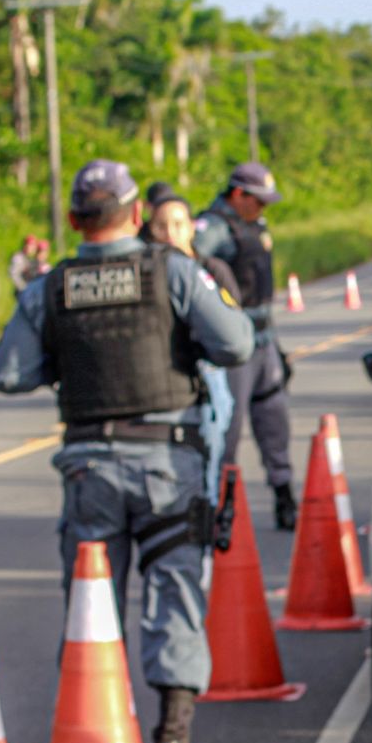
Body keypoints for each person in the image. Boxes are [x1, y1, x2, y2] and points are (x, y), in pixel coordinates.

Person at [0, 159, 254, 743]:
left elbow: (7, 374)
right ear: (137, 215)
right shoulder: (174, 272)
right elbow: (236, 344)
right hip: (168, 464)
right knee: (176, 595)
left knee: (92, 608)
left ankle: (94, 741)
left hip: (90, 471)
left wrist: (60, 353)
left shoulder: (50, 287)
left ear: (75, 220)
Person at [194, 162, 295, 530]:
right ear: (238, 194)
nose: (263, 209)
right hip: (235, 344)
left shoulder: (255, 225)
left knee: (275, 422)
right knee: (229, 431)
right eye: (258, 201)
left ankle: (285, 497)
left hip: (265, 339)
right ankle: (223, 508)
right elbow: (192, 262)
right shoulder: (213, 228)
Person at [147, 183, 238, 505]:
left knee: (208, 460)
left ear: (191, 227)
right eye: (161, 225)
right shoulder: (146, 274)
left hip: (207, 379)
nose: (170, 233)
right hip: (161, 382)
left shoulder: (211, 271)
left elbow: (235, 333)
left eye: (178, 224)